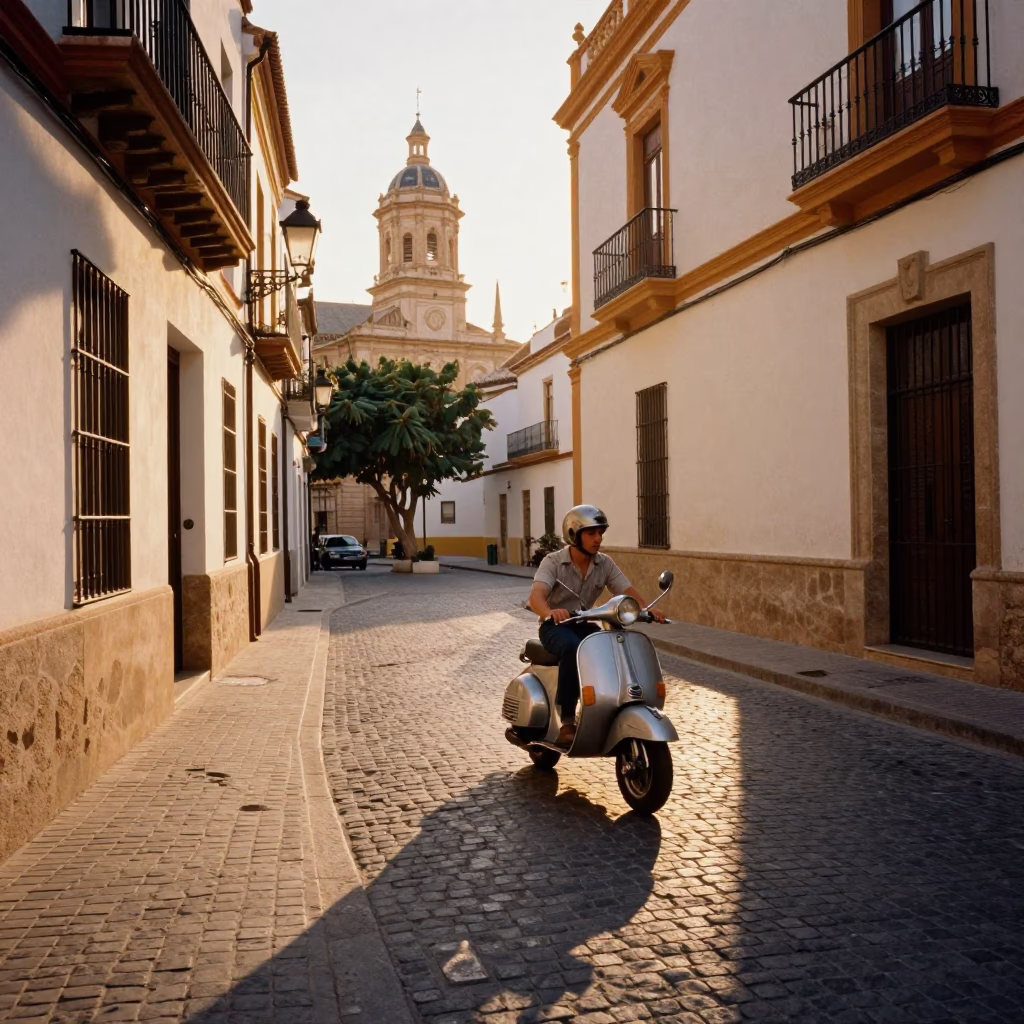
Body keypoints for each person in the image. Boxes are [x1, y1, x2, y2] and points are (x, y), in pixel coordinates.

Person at [528, 504, 667, 747]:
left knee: (608, 648)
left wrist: (645, 610)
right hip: (555, 627)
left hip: (584, 624)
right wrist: (550, 612)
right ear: (574, 534)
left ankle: (606, 705)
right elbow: (536, 595)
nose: (598, 539)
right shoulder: (553, 562)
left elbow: (626, 590)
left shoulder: (605, 564)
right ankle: (568, 721)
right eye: (591, 533)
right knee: (573, 648)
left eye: (600, 533)